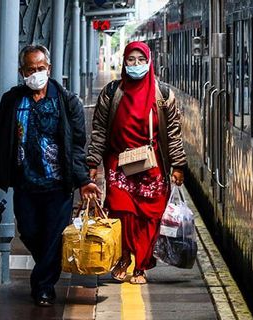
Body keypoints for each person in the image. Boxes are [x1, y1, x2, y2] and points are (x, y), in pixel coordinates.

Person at [0, 45, 99, 306]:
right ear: (21, 71)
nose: (36, 73)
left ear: (49, 68)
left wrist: (84, 181)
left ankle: (43, 287)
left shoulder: (67, 100)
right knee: (30, 231)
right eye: (30, 69)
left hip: (59, 184)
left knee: (54, 234)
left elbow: (76, 145)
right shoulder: (13, 100)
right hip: (25, 181)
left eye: (40, 68)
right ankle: (49, 264)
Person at [87, 41, 186, 285]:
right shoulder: (112, 92)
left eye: (141, 60)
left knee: (150, 217)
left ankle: (141, 265)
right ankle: (123, 257)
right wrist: (92, 161)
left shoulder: (162, 94)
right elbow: (99, 129)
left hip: (152, 166)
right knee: (121, 211)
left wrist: (178, 165)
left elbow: (173, 132)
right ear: (123, 63)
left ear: (150, 62)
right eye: (131, 60)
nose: (136, 65)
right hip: (119, 164)